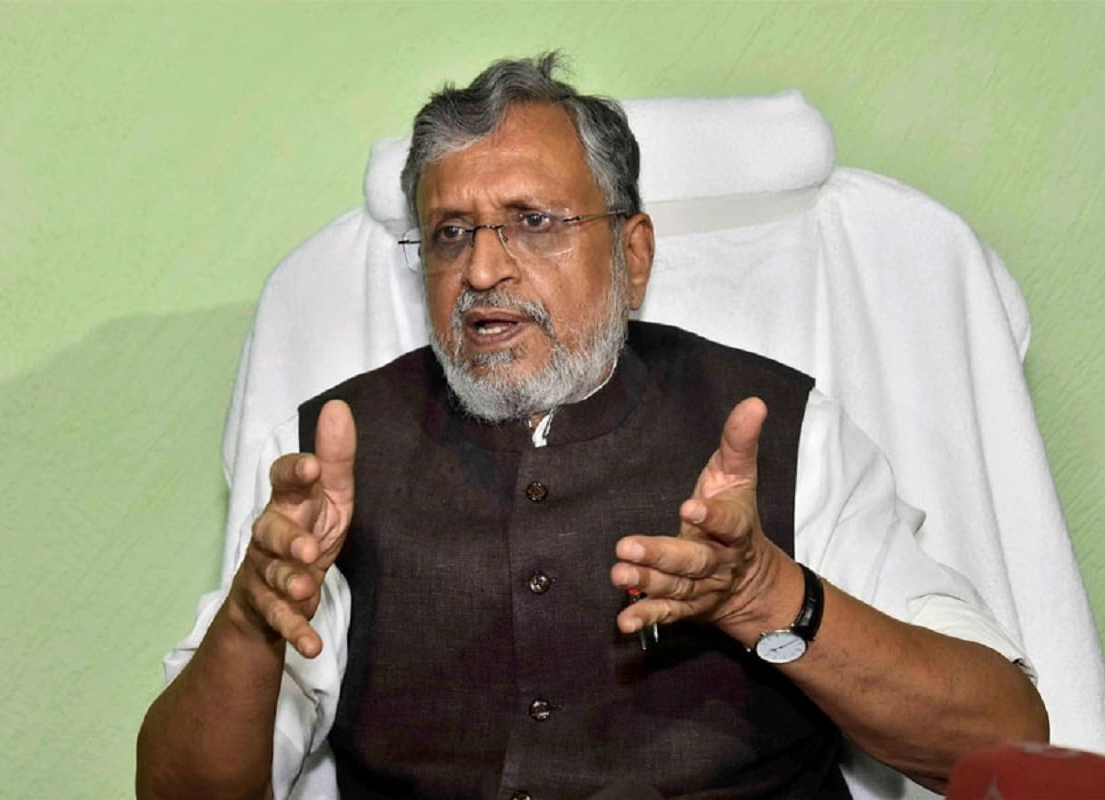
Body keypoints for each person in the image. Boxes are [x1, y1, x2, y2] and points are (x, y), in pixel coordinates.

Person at [136, 54, 1047, 800]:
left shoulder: (778, 431)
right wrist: (251, 623)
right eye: (449, 233)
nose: (482, 270)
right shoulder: (332, 461)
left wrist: (769, 596)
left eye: (532, 222)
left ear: (632, 253)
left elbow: (1004, 745)